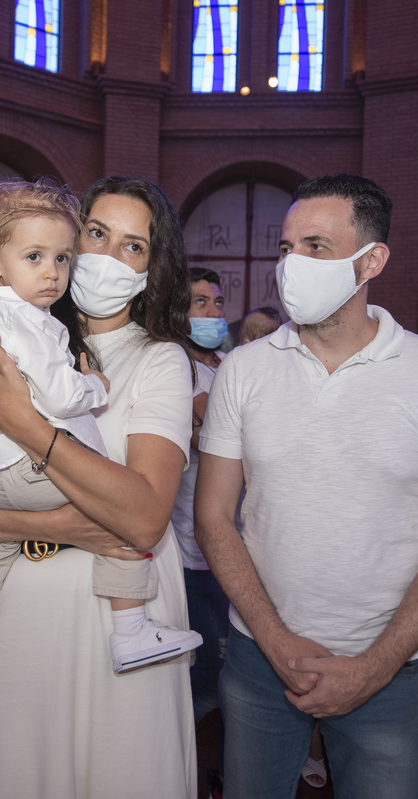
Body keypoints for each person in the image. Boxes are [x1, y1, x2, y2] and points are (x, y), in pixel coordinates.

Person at [195, 173, 418, 799]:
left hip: (389, 667)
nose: (292, 265)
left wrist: (373, 667)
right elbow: (215, 518)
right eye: (285, 248)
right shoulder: (244, 370)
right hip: (257, 659)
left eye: (316, 247)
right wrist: (275, 642)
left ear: (371, 261)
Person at [0, 176, 197, 797]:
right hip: (12, 609)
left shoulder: (161, 360)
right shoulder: (14, 342)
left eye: (134, 246)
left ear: (153, 271)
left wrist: (23, 420)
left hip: (116, 618)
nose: (104, 257)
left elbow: (145, 517)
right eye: (96, 234)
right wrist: (49, 526)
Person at [173, 266, 231, 797]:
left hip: (235, 548)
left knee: (230, 669)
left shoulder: (229, 366)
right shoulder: (176, 369)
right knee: (208, 666)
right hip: (189, 549)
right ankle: (166, 758)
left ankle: (215, 773)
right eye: (199, 303)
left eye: (216, 302)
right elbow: (218, 428)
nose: (212, 312)